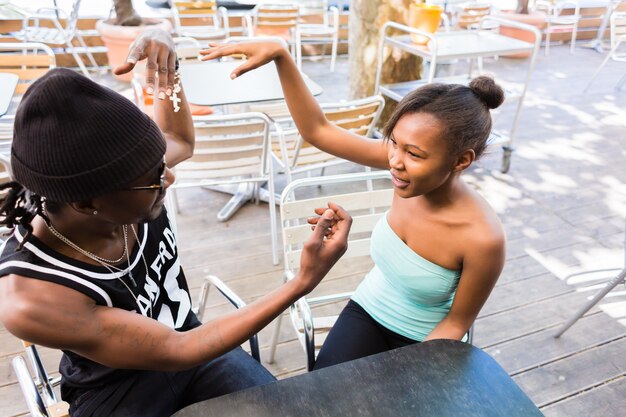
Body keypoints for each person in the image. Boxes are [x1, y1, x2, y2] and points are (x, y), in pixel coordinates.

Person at [0, 29, 351, 416]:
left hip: (198, 344)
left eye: (161, 164)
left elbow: (176, 136)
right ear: (86, 202)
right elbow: (174, 351)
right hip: (119, 389)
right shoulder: (31, 297)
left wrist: (168, 70)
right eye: (156, 179)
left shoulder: (128, 174)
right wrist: (303, 281)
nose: (170, 178)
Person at [200, 41, 506, 370]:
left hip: (428, 341)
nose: (394, 163)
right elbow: (318, 131)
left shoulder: (483, 238)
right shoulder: (403, 168)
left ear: (462, 160)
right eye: (394, 144)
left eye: (414, 154)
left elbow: (456, 324)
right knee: (321, 394)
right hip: (368, 310)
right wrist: (281, 56)